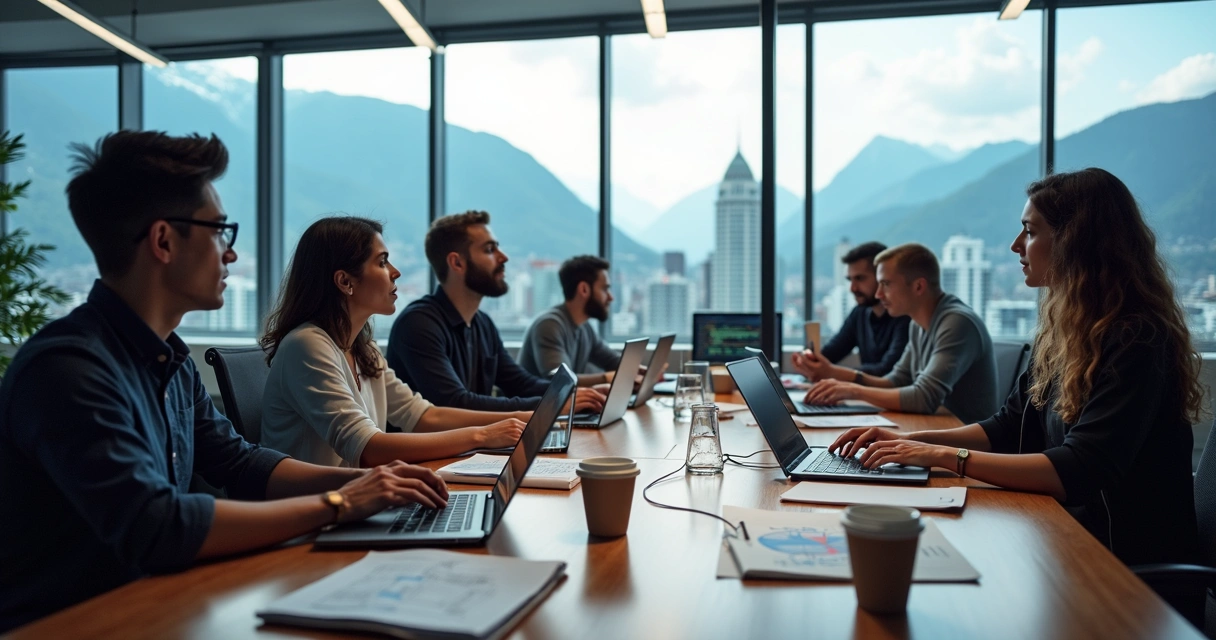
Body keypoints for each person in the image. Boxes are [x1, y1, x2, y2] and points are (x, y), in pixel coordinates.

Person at [0, 132, 447, 633]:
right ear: (164, 241)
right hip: (79, 623)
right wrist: (340, 504)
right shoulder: (68, 370)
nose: (230, 255)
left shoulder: (170, 357)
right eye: (219, 232)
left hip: (161, 605)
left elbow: (238, 460)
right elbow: (158, 526)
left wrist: (368, 484)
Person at [829, 168, 1203, 572]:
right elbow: (1009, 425)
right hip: (1064, 536)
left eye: (1029, 231)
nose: (1015, 245)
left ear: (1074, 240)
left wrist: (942, 455)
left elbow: (1080, 468)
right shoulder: (1066, 331)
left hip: (1124, 570)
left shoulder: (1138, 338)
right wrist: (908, 441)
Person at [260, 216, 534, 468]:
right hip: (319, 511)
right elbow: (367, 447)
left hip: (360, 499)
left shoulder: (362, 348)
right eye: (382, 262)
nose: (395, 272)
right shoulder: (307, 345)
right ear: (345, 281)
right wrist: (483, 434)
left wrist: (524, 417)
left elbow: (423, 416)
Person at [387, 211, 605, 412]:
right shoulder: (418, 325)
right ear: (457, 263)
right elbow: (455, 403)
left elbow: (521, 384)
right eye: (490, 250)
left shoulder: (482, 324)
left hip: (476, 450)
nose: (504, 257)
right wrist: (553, 404)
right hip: (430, 454)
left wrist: (576, 394)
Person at [801, 243, 998, 424]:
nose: (879, 294)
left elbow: (924, 398)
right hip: (938, 432)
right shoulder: (917, 324)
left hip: (966, 447)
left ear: (918, 286)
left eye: (886, 284)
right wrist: (841, 383)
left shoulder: (957, 323)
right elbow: (895, 381)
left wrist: (853, 391)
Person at [519, 255, 641, 388]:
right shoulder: (548, 325)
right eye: (605, 289)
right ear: (584, 289)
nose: (611, 297)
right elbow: (561, 381)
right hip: (534, 408)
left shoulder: (585, 327)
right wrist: (607, 378)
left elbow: (612, 361)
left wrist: (644, 372)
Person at [791, 241, 909, 378]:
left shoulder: (905, 316)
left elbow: (889, 371)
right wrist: (809, 361)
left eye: (860, 278)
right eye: (850, 280)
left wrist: (832, 372)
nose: (852, 288)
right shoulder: (859, 313)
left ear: (882, 276)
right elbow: (831, 353)